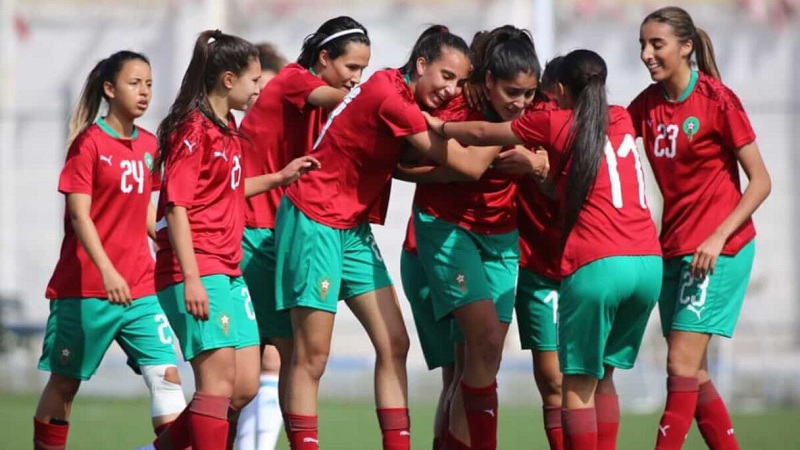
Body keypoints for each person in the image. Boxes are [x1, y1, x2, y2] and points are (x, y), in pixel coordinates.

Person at [274, 24, 502, 450]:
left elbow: (408, 166)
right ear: (420, 65)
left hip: (351, 228)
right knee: (313, 355)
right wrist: (509, 127)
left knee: (394, 342)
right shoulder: (388, 93)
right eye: (446, 77)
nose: (452, 91)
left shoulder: (393, 94)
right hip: (314, 219)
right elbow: (466, 166)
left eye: (459, 82)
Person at [426, 48, 663, 450]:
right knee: (604, 377)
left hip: (597, 263)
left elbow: (483, 134)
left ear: (556, 89)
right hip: (647, 262)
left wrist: (438, 126)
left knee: (574, 386)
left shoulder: (555, 120)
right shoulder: (620, 116)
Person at [137, 29, 317, 450]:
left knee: (244, 387)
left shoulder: (228, 128)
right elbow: (175, 207)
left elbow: (225, 190)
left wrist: (278, 177)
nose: (260, 89)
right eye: (255, 81)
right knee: (216, 387)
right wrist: (194, 279)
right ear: (229, 80)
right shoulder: (191, 130)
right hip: (198, 269)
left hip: (228, 269)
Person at [628, 6, 771, 450]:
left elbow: (761, 181)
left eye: (657, 44)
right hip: (673, 248)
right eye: (643, 45)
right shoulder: (646, 106)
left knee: (679, 365)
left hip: (718, 251)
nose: (647, 54)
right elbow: (607, 141)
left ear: (686, 47)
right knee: (694, 371)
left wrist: (718, 235)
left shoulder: (717, 100)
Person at [397, 25, 545, 450]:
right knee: (479, 348)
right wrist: (423, 163)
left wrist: (538, 165)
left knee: (479, 361)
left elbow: (550, 158)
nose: (520, 103)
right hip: (447, 229)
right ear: (488, 82)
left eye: (528, 94)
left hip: (500, 237)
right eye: (511, 92)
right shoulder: (460, 102)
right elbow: (409, 152)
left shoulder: (534, 113)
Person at [33, 50, 186, 450]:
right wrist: (107, 271)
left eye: (149, 84)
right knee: (65, 383)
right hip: (85, 289)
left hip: (139, 286)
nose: (144, 92)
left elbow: (145, 212)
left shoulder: (150, 145)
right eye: (134, 83)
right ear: (109, 88)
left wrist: (174, 250)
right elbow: (80, 217)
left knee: (167, 376)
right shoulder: (88, 145)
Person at [238, 17, 371, 450]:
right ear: (324, 58)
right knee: (270, 362)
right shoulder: (296, 80)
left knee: (271, 360)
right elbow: (339, 97)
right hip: (253, 231)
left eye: (364, 71)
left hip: (273, 232)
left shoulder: (312, 100)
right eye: (351, 68)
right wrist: (379, 95)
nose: (356, 79)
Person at [505, 55, 565, 450]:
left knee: (592, 377)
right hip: (538, 265)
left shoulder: (583, 128)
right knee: (553, 379)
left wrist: (543, 172)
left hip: (587, 265)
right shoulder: (518, 124)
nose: (524, 101)